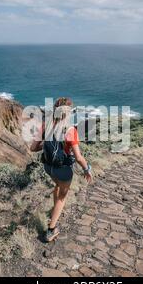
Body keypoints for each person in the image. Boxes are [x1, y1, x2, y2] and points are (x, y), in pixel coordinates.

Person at [30, 97, 93, 242]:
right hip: (63, 170)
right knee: (62, 197)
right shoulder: (70, 131)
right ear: (68, 112)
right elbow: (78, 157)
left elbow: (33, 148)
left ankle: (54, 211)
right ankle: (51, 230)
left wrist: (46, 143)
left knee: (57, 185)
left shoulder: (45, 126)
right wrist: (86, 169)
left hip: (48, 167)